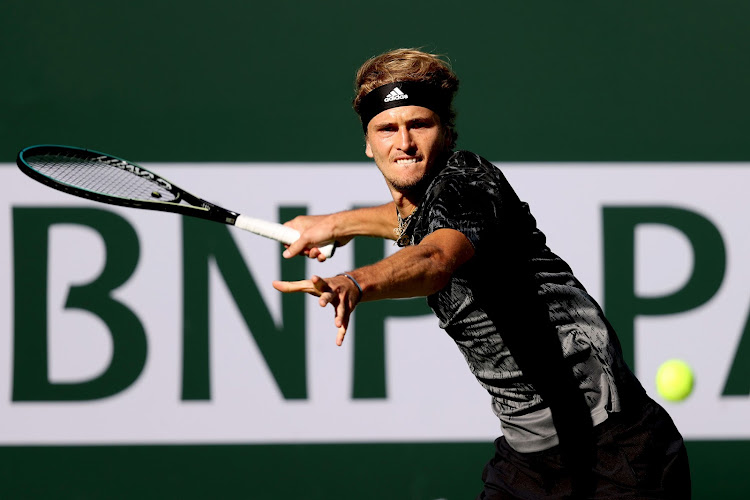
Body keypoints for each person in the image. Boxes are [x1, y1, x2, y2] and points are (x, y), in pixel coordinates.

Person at [272, 48, 691, 499]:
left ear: (447, 131)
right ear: (368, 143)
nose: (405, 143)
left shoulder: (469, 180)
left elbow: (435, 259)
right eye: (387, 129)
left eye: (420, 125)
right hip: (527, 457)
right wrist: (335, 223)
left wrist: (356, 282)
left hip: (615, 450)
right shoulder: (424, 204)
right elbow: (408, 219)